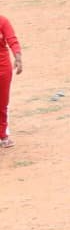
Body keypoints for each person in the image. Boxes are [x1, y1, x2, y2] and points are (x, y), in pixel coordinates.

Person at [0, 14, 23, 148]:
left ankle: (3, 135)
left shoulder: (2, 21)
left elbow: (12, 41)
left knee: (2, 103)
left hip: (3, 70)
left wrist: (18, 58)